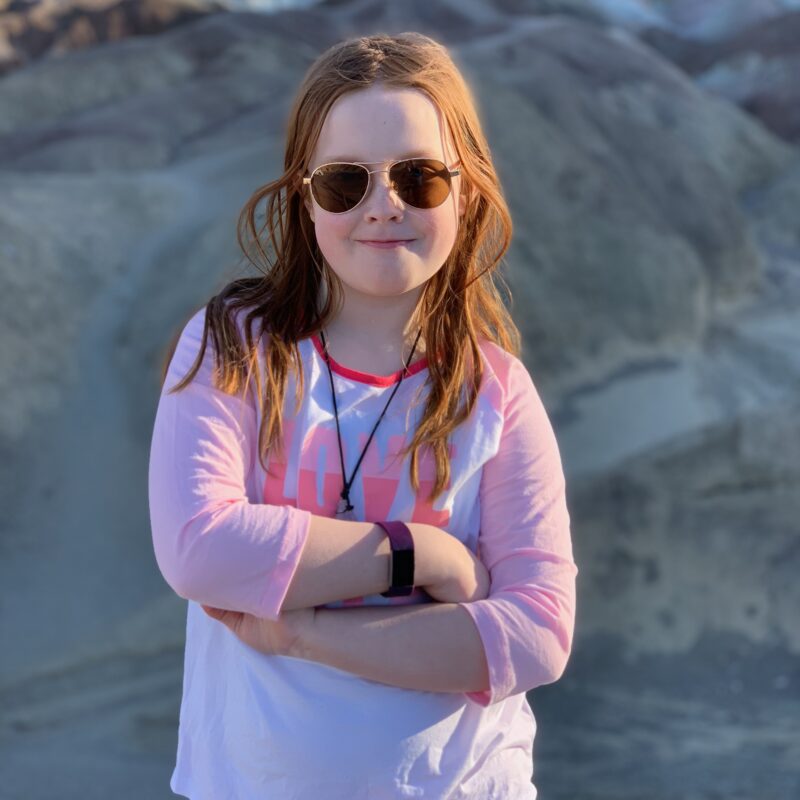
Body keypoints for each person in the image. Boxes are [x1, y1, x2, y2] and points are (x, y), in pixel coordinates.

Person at [148, 31, 578, 800]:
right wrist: (422, 557)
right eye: (347, 183)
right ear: (305, 199)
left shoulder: (497, 390)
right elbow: (198, 548)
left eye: (420, 178)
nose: (385, 207)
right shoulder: (236, 348)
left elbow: (538, 634)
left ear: (468, 192)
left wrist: (302, 633)